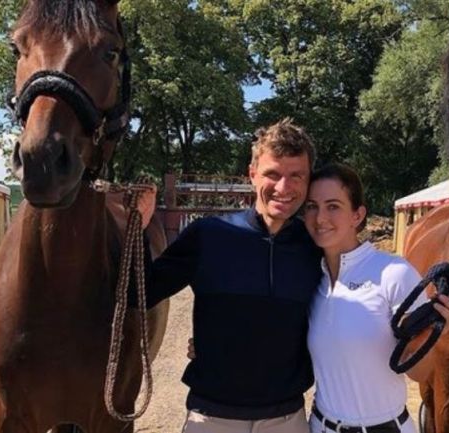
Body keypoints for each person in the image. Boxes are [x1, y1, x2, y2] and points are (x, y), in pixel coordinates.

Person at [135, 118, 322, 433]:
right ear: (252, 175)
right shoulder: (208, 236)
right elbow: (140, 294)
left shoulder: (316, 248)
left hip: (287, 419)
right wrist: (137, 229)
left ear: (307, 180)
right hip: (212, 418)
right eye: (272, 174)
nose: (283, 188)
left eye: (296, 176)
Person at [301, 163, 449, 433]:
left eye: (333, 206)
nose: (320, 218)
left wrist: (440, 332)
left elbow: (418, 373)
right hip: (319, 426)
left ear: (357, 215)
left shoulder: (393, 274)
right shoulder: (311, 279)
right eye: (312, 206)